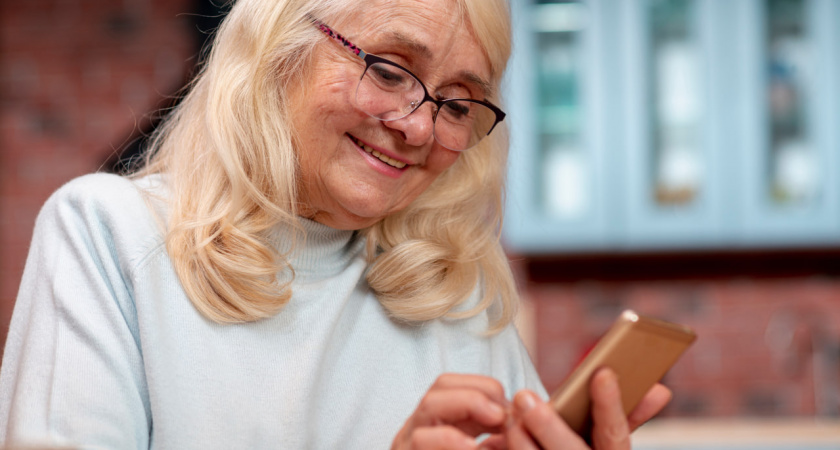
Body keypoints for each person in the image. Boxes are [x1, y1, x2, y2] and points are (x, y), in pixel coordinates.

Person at [0, 0, 671, 448]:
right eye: (388, 70)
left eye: (459, 104)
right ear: (278, 51)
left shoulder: (452, 291)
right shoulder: (107, 233)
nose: (417, 126)